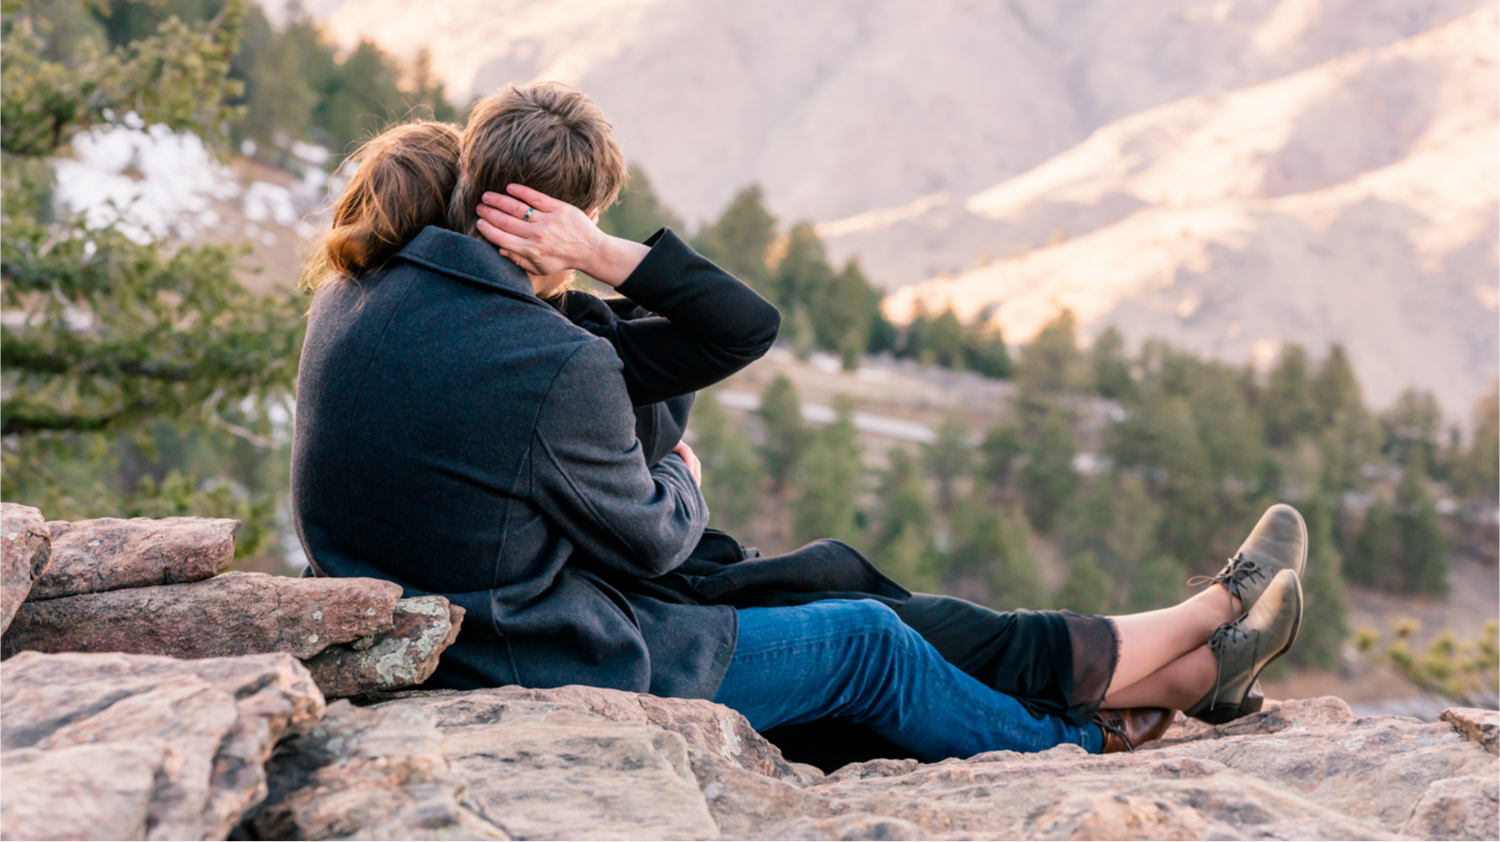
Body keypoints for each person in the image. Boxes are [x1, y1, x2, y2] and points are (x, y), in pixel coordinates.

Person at [292, 84, 1307, 763]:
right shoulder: (548, 356)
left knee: (881, 608)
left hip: (455, 613)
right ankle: (1102, 734)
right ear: (563, 223)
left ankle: (1191, 653)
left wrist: (590, 268)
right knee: (871, 642)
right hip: (534, 650)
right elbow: (654, 527)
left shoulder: (363, 291)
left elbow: (725, 332)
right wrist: (685, 472)